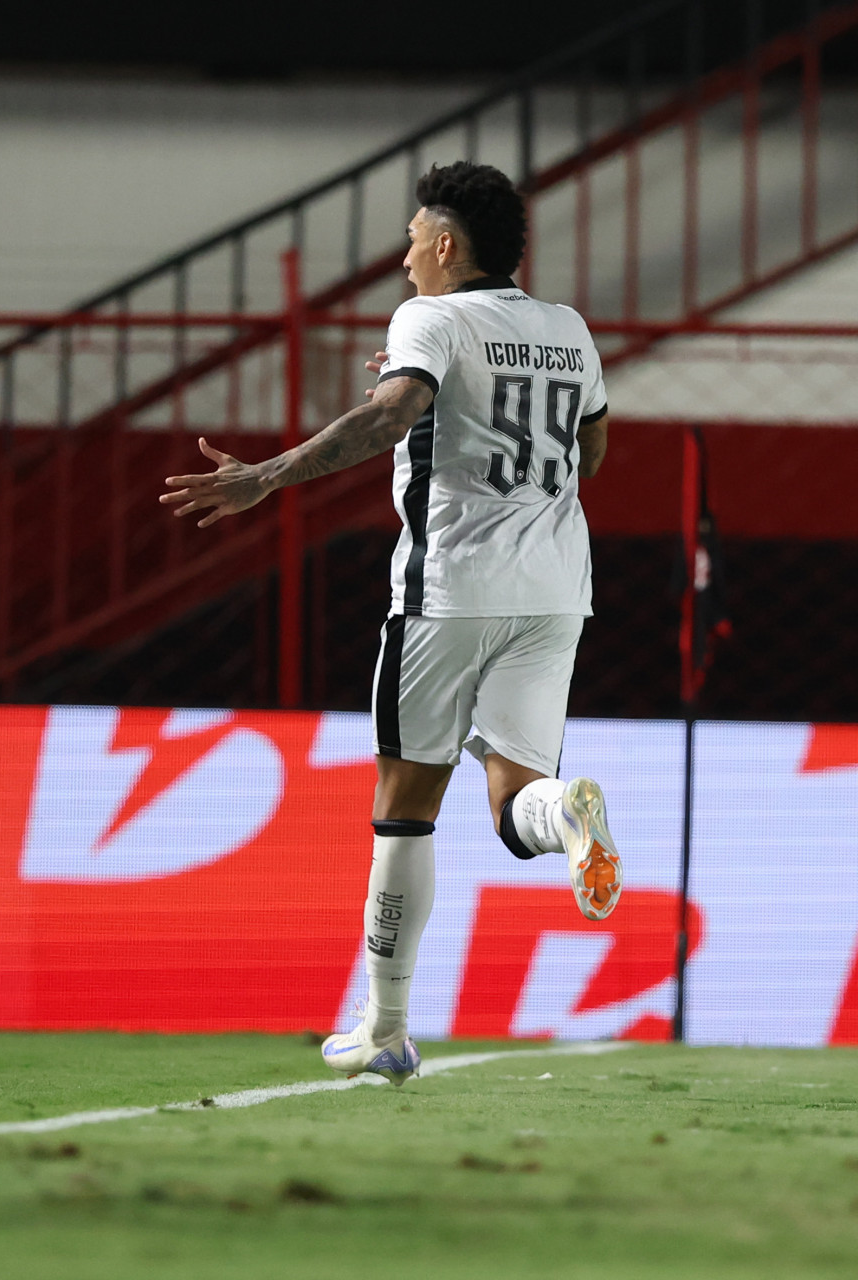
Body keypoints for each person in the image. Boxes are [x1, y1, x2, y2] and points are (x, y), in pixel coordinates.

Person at [159, 161, 622, 1086]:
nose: (405, 258)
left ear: (446, 245)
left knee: (404, 812)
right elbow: (593, 447)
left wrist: (265, 478)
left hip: (448, 590)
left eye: (413, 240)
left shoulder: (429, 320)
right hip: (555, 589)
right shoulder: (567, 329)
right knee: (516, 803)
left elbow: (391, 415)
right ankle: (568, 815)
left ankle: (384, 1028)